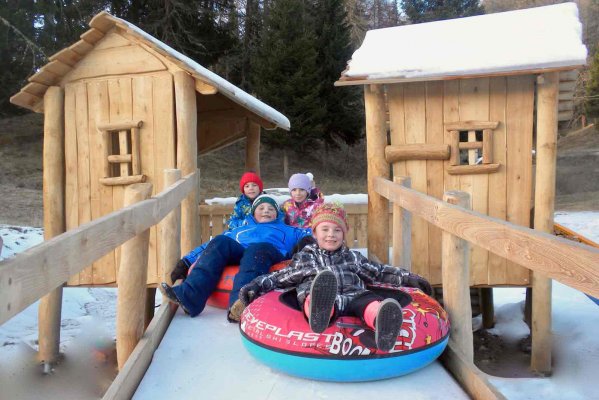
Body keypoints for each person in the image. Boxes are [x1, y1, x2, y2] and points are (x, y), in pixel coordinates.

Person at [236, 203, 433, 352]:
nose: (331, 235)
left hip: (354, 296)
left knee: (369, 301)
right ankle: (320, 311)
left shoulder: (353, 257)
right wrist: (255, 285)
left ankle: (382, 321)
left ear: (344, 233)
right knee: (312, 295)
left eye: (337, 230)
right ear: (314, 232)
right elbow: (282, 276)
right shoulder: (305, 258)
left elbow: (379, 271)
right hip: (322, 298)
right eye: (325, 229)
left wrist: (408, 278)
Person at [160, 194, 311, 320]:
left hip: (268, 253)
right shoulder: (240, 230)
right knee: (220, 241)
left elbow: (314, 233)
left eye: (271, 209)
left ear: (277, 214)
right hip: (240, 252)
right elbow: (209, 245)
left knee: (256, 249)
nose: (266, 211)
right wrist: (186, 261)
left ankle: (240, 303)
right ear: (253, 213)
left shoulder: (289, 230)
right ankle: (190, 296)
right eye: (261, 208)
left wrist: (306, 242)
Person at [170, 171, 264, 283]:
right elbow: (233, 221)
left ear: (260, 188)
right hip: (239, 232)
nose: (251, 188)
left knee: (221, 244)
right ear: (243, 189)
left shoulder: (266, 202)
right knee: (215, 241)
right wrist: (243, 223)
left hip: (254, 237)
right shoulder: (241, 204)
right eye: (247, 186)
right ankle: (187, 262)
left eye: (254, 185)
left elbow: (276, 218)